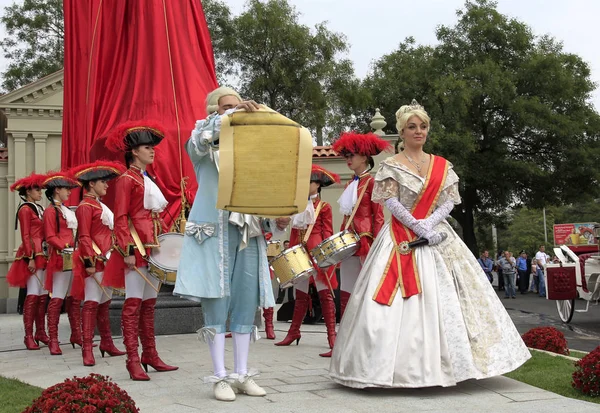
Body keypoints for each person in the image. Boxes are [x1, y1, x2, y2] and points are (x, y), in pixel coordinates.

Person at [329, 100, 530, 388]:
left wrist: (430, 223)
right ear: (401, 131)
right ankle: (389, 370)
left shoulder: (442, 165)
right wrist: (416, 225)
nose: (418, 131)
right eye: (412, 127)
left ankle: (454, 366)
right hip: (399, 237)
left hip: (437, 236)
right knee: (388, 302)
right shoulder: (391, 166)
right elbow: (390, 201)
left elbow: (449, 200)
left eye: (423, 126)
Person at [174, 87, 280, 402]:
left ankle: (242, 373)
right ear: (213, 111)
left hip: (248, 231)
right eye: (226, 107)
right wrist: (230, 115)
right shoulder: (200, 142)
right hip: (212, 231)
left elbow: (262, 191)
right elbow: (202, 138)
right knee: (216, 301)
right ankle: (219, 376)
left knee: (247, 301)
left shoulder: (253, 151)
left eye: (237, 106)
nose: (235, 111)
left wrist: (275, 219)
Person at [104, 121, 178, 381]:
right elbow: (121, 217)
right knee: (133, 304)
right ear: (134, 151)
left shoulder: (146, 178)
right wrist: (127, 250)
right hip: (136, 248)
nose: (153, 151)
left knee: (149, 304)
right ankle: (132, 360)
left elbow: (154, 216)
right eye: (148, 147)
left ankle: (150, 354)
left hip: (154, 247)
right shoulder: (126, 180)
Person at [274, 165, 340, 358]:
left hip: (317, 254)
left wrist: (327, 257)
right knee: (300, 295)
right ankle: (293, 331)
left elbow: (327, 232)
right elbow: (294, 232)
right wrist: (291, 252)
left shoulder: (324, 207)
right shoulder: (297, 206)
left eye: (309, 182)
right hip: (299, 254)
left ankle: (332, 337)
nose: (304, 185)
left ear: (318, 185)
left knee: (325, 295)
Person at [70, 161, 127, 366]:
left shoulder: (99, 205)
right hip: (96, 260)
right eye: (103, 182)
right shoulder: (85, 207)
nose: (107, 185)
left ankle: (106, 343)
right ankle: (87, 349)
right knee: (92, 302)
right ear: (91, 184)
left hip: (108, 259)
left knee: (104, 303)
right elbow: (84, 236)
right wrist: (89, 262)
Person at [331, 133, 388, 317]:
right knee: (346, 289)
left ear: (364, 157)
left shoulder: (372, 182)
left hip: (366, 241)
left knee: (365, 290)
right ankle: (343, 342)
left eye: (352, 156)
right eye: (346, 156)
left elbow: (378, 216)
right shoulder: (350, 183)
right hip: (349, 241)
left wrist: (378, 246)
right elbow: (346, 215)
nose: (348, 160)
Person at [6, 173, 49, 350]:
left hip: (43, 253)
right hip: (33, 253)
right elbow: (25, 235)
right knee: (32, 294)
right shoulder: (25, 209)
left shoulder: (38, 207)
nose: (40, 192)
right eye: (37, 189)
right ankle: (28, 335)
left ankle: (40, 331)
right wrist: (30, 257)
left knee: (42, 294)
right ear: (28, 191)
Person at [42, 172, 81, 355]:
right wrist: (65, 247)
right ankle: (53, 340)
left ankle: (76, 335)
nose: (69, 192)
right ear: (57, 190)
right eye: (66, 189)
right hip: (60, 257)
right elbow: (50, 237)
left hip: (72, 255)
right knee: (57, 297)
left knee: (74, 297)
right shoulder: (51, 211)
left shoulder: (65, 211)